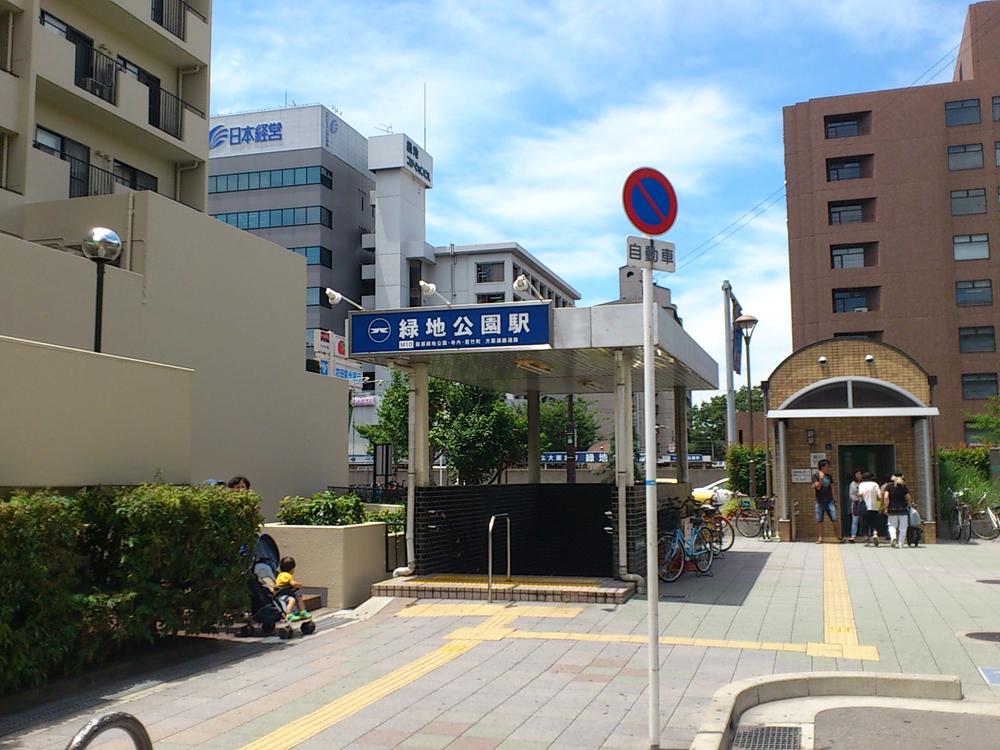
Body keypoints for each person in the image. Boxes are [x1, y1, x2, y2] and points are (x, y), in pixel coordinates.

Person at [812, 459, 842, 543]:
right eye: (827, 466)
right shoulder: (815, 475)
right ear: (822, 466)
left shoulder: (829, 476)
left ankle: (839, 536)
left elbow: (832, 487)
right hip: (819, 501)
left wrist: (834, 499)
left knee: (834, 518)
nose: (828, 468)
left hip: (829, 500)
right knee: (819, 520)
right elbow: (817, 487)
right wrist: (821, 479)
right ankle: (820, 538)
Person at [274, 556, 311, 621]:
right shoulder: (286, 575)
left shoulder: (281, 574)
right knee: (292, 599)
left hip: (282, 593)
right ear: (291, 569)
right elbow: (293, 584)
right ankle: (289, 614)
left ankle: (301, 611)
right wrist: (299, 585)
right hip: (281, 595)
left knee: (297, 596)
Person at [885, 471, 912, 549]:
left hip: (892, 509)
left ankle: (893, 537)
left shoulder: (889, 486)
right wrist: (909, 506)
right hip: (903, 509)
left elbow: (886, 497)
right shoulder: (904, 487)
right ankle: (901, 543)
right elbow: (908, 497)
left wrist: (886, 507)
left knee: (892, 525)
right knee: (903, 527)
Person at [857, 471, 883, 547]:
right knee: (874, 522)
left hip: (864, 507)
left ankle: (866, 540)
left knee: (864, 523)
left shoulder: (861, 484)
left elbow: (860, 494)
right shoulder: (875, 484)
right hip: (874, 507)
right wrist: (880, 504)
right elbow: (880, 496)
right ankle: (875, 533)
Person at [848, 468, 864, 542]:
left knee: (865, 520)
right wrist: (856, 499)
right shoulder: (852, 484)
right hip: (855, 503)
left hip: (864, 503)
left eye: (859, 474)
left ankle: (867, 536)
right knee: (855, 520)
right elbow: (851, 494)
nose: (858, 476)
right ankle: (853, 536)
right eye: (856, 474)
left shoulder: (865, 483)